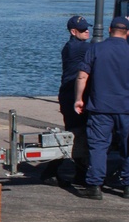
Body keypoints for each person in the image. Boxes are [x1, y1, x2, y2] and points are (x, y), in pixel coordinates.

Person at [73, 16, 129, 199]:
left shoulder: (96, 48)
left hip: (100, 107)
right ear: (127, 33)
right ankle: (127, 185)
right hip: (126, 108)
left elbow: (82, 76)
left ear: (110, 30)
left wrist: (78, 99)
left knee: (98, 146)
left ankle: (95, 186)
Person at [42, 16, 91, 185]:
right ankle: (51, 170)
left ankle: (80, 172)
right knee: (75, 135)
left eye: (87, 28)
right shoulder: (77, 47)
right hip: (71, 96)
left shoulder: (75, 46)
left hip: (70, 94)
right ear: (73, 32)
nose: (87, 31)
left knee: (79, 134)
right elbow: (102, 50)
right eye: (83, 29)